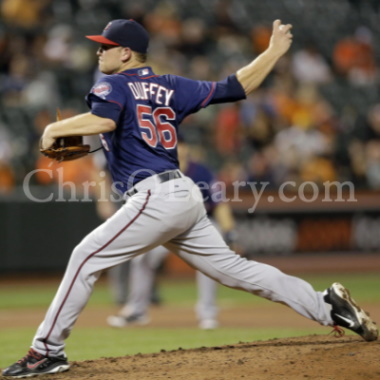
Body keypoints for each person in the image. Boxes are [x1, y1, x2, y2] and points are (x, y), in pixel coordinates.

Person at [3, 18, 377, 378]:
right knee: (235, 270)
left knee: (84, 257)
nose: (99, 54)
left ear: (128, 54)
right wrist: (274, 53)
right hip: (184, 194)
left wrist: (55, 127)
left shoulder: (111, 85)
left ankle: (46, 352)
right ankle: (326, 304)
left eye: (107, 47)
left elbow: (104, 122)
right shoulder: (172, 85)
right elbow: (236, 86)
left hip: (155, 197)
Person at [106, 136, 237, 330]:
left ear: (185, 148)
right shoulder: (155, 171)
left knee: (208, 261)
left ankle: (207, 314)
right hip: (168, 227)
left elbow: (219, 204)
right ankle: (137, 310)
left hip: (199, 225)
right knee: (142, 257)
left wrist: (229, 231)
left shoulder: (202, 171)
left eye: (178, 145)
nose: (175, 149)